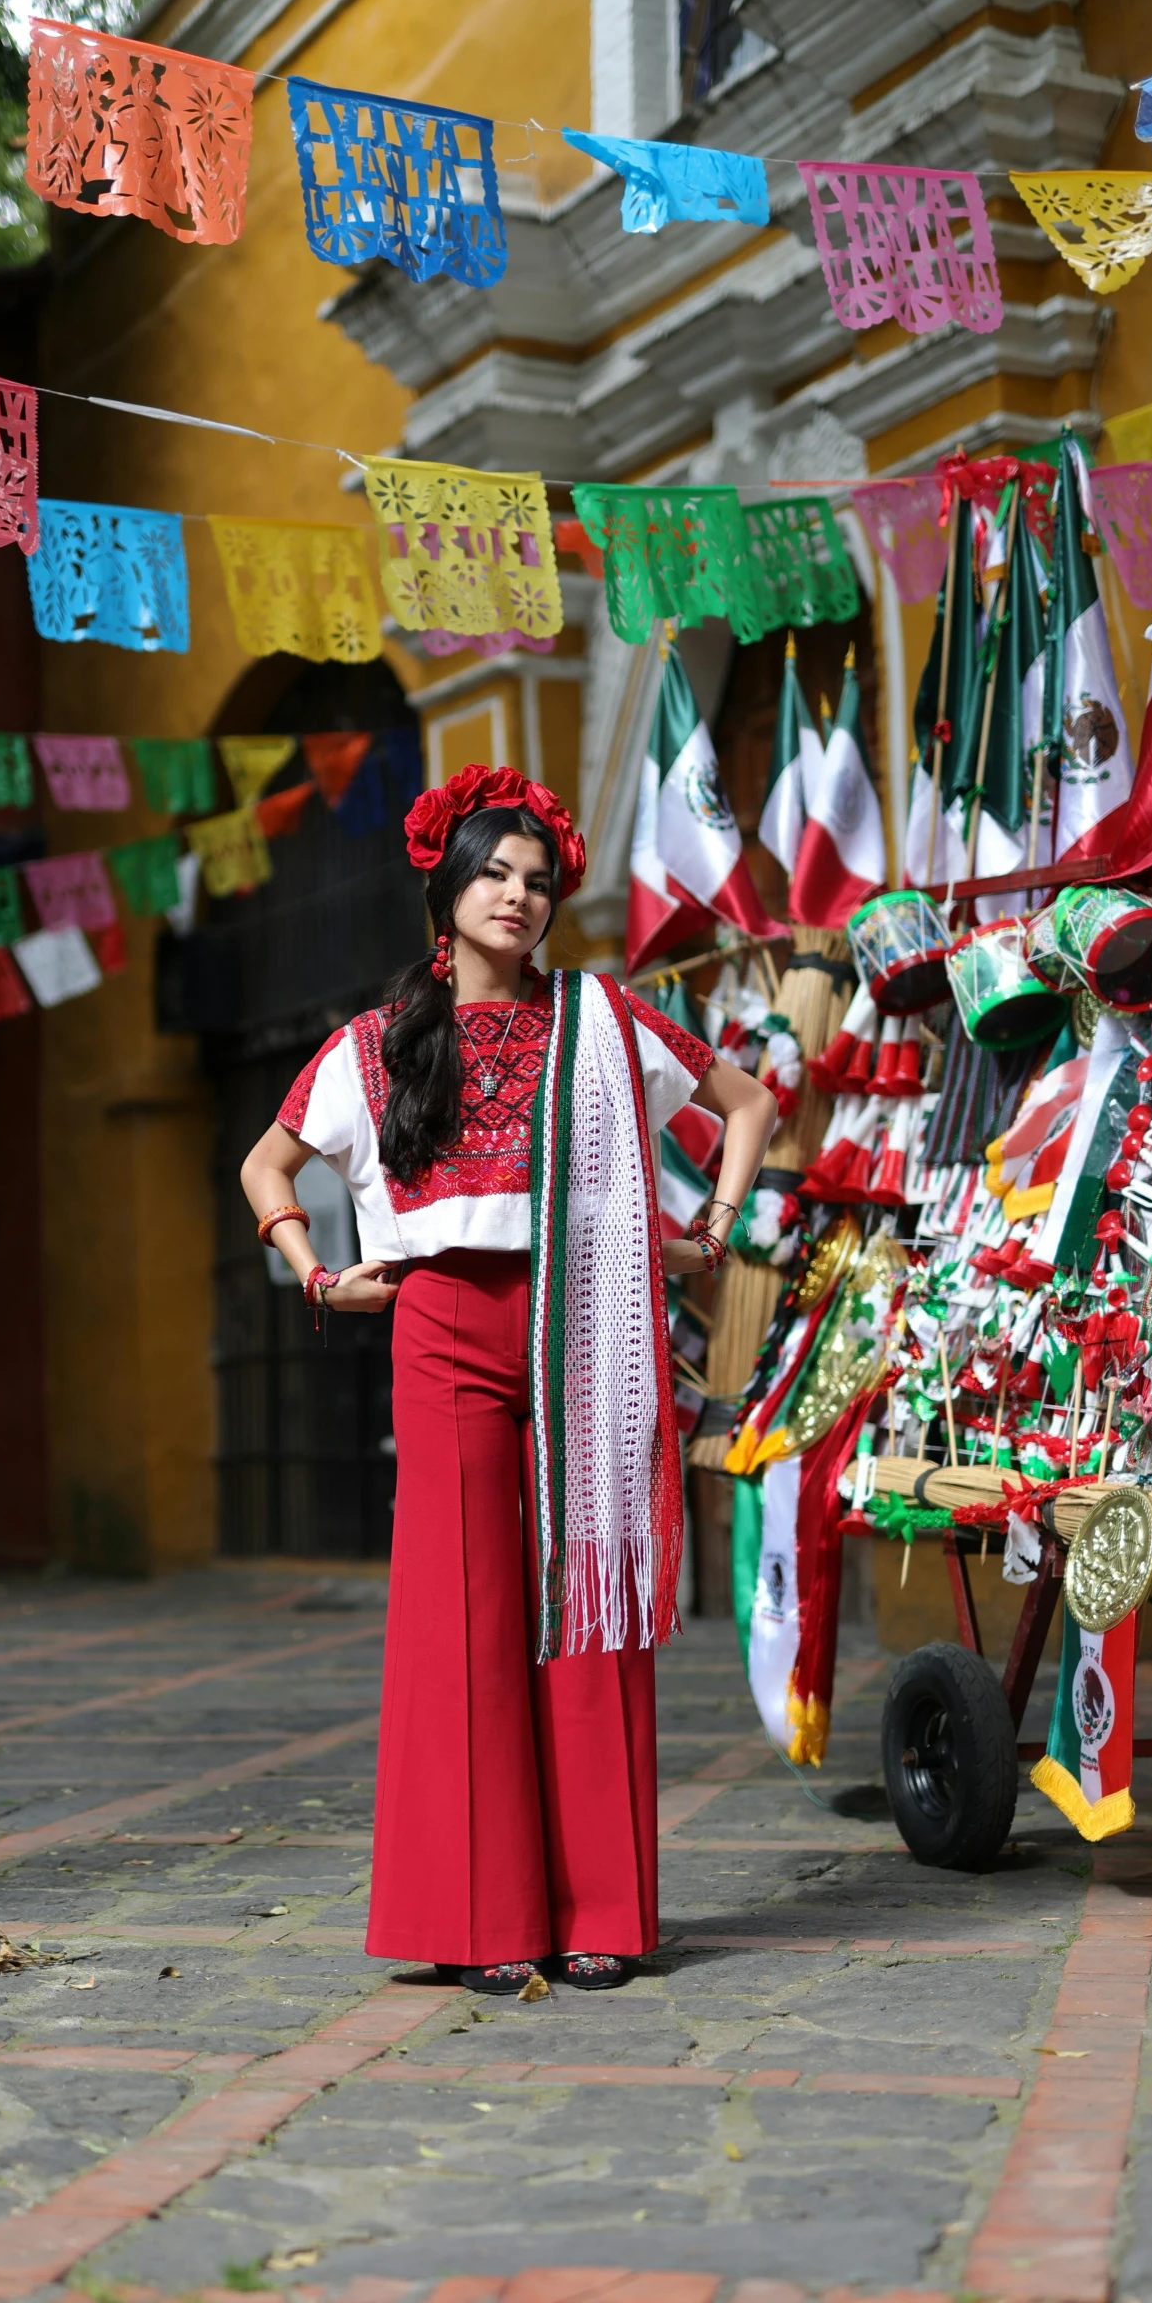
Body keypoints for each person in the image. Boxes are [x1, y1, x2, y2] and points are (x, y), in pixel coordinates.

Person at [241, 763, 776, 1994]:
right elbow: (265, 1168)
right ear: (446, 889)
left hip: (587, 1317)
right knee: (467, 1621)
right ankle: (484, 1921)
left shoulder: (605, 1021)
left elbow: (743, 1103)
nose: (518, 896)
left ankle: (601, 1915)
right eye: (493, 872)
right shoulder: (370, 1048)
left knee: (584, 1603)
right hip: (441, 1328)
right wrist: (316, 1275)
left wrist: (713, 1228)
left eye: (537, 880)